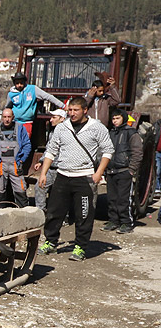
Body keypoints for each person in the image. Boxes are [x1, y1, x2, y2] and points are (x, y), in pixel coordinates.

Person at [38, 96, 114, 262]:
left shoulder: (97, 127)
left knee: (84, 214)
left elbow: (108, 150)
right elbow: (51, 151)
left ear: (85, 110)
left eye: (75, 110)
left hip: (84, 177)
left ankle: (80, 247)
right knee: (54, 212)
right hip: (63, 175)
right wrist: (43, 173)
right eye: (70, 110)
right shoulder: (62, 127)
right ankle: (50, 242)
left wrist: (99, 172)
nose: (72, 113)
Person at [102, 108, 142, 234]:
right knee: (111, 198)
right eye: (113, 118)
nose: (115, 121)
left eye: (117, 118)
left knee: (123, 199)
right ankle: (113, 220)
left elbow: (137, 152)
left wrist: (131, 169)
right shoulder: (111, 133)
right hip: (111, 170)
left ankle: (126, 223)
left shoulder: (131, 133)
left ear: (123, 118)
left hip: (124, 170)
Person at [0, 108, 31, 207]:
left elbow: (27, 145)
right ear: (1, 117)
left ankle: (24, 213)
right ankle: (1, 213)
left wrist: (22, 159)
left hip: (15, 165)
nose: (7, 119)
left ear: (13, 117)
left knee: (20, 189)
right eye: (4, 117)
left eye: (9, 117)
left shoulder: (20, 128)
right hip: (0, 165)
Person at [6, 72, 64, 137]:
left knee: (26, 140)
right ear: (14, 83)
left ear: (24, 82)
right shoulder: (11, 94)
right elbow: (7, 108)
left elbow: (48, 96)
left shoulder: (32, 89)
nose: (19, 85)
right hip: (15, 122)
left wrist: (63, 105)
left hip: (27, 122)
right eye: (17, 83)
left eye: (21, 83)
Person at [33, 109, 67, 211]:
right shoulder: (53, 132)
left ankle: (64, 215)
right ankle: (41, 211)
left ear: (62, 119)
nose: (51, 120)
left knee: (62, 192)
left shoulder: (67, 133)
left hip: (63, 168)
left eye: (54, 117)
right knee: (39, 186)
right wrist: (41, 161)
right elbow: (49, 149)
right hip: (51, 168)